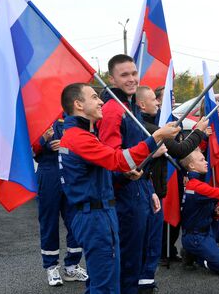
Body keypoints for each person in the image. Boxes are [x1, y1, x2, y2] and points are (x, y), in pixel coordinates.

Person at [58, 83, 179, 293]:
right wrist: (157, 137)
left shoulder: (81, 134)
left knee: (102, 280)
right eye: (94, 97)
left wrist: (124, 175)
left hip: (96, 213)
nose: (101, 101)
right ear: (78, 104)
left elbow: (106, 169)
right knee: (106, 286)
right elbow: (119, 159)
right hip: (95, 216)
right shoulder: (79, 138)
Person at [96, 54, 164, 293]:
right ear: (111, 79)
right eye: (124, 75)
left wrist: (150, 190)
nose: (131, 79)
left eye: (134, 73)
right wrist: (127, 177)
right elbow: (110, 158)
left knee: (137, 256)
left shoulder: (131, 106)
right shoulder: (114, 110)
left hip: (139, 190)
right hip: (124, 195)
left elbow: (139, 157)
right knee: (126, 260)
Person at [135, 86, 209, 268]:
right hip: (147, 188)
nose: (159, 103)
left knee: (156, 230)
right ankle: (150, 268)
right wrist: (198, 131)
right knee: (148, 236)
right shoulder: (149, 128)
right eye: (154, 99)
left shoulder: (157, 124)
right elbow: (180, 150)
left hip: (157, 186)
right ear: (142, 105)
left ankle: (161, 258)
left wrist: (183, 171)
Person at [33, 118, 87, 286]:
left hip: (70, 174)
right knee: (49, 222)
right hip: (48, 173)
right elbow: (31, 150)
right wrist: (44, 140)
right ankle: (51, 267)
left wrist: (67, 143)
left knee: (76, 221)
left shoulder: (71, 115)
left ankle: (72, 265)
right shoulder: (39, 115)